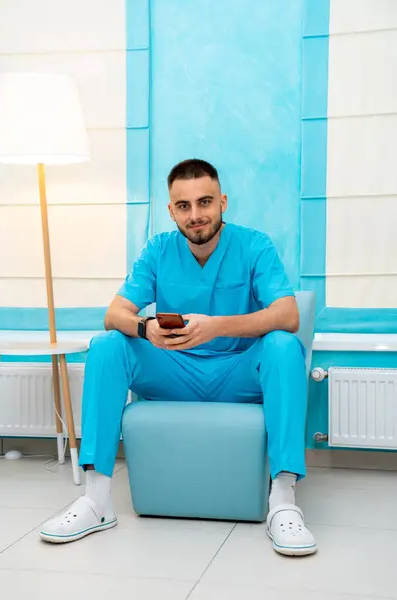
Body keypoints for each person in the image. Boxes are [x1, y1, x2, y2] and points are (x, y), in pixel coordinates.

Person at [39, 158, 317, 556]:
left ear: (222, 202)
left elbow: (287, 314)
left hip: (238, 375)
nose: (196, 215)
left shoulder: (255, 245)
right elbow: (114, 313)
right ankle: (97, 499)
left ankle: (284, 501)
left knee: (283, 345)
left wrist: (216, 327)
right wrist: (145, 327)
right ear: (171, 211)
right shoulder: (158, 249)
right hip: (176, 372)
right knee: (107, 344)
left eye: (205, 202)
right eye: (184, 206)